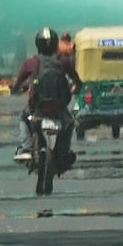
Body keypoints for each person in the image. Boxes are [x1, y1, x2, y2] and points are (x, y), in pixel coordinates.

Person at [12, 28, 82, 167]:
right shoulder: (63, 61)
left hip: (37, 108)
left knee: (23, 118)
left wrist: (16, 89)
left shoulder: (31, 62)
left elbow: (17, 83)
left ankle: (26, 147)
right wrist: (76, 89)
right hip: (59, 108)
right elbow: (77, 81)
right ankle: (65, 150)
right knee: (70, 124)